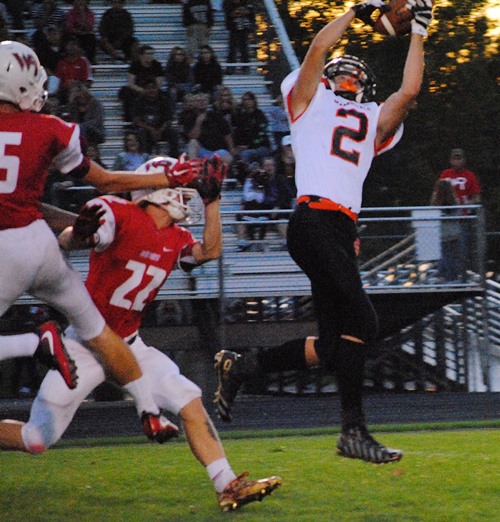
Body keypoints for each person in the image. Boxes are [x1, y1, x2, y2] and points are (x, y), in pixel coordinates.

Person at [214, 0, 434, 464]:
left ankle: (243, 366)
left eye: (358, 76)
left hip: (338, 230)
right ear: (331, 78)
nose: (351, 79)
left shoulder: (372, 119)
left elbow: (410, 90)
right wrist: (357, 12)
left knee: (334, 347)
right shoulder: (306, 102)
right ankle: (353, 432)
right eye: (344, 73)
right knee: (366, 322)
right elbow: (317, 47)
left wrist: (418, 30)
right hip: (313, 220)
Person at [0, 157, 282, 513]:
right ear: (156, 192)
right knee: (37, 438)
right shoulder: (120, 213)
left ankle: (227, 485)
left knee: (189, 401)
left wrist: (213, 202)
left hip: (131, 344)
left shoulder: (175, 236)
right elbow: (70, 240)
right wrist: (81, 232)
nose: (184, 196)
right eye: (178, 189)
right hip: (87, 344)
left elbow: (211, 251)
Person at [0, 40, 211, 444]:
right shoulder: (51, 129)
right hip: (38, 246)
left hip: (8, 246)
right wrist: (168, 177)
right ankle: (148, 410)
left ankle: (34, 342)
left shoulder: (160, 229)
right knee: (95, 331)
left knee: (102, 336)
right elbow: (103, 184)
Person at [131, 79, 180, 156]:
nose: (151, 90)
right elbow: (136, 120)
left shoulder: (164, 100)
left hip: (162, 129)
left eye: (154, 88)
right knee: (141, 133)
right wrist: (151, 130)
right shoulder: (138, 101)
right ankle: (145, 157)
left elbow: (169, 119)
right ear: (144, 89)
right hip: (146, 130)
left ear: (157, 88)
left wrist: (160, 130)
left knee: (173, 132)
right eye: (149, 88)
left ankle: (174, 157)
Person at [184, 92, 234, 163]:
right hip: (201, 150)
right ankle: (194, 168)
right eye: (198, 101)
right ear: (194, 103)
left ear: (208, 103)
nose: (201, 102)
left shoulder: (216, 115)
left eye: (204, 100)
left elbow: (227, 134)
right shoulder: (190, 118)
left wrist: (232, 149)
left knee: (228, 159)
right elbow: (193, 137)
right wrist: (198, 122)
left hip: (217, 150)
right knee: (193, 142)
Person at [118, 44, 164, 122]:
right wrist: (142, 90)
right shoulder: (135, 65)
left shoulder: (157, 65)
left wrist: (150, 90)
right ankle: (129, 119)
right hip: (138, 89)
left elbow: (159, 82)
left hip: (152, 89)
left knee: (165, 96)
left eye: (152, 54)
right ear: (141, 55)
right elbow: (131, 83)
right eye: (148, 54)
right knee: (127, 94)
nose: (151, 56)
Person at [430, 179, 462, 282]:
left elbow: (433, 215)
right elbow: (458, 214)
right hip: (454, 233)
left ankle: (443, 274)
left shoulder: (435, 202)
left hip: (441, 234)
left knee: (444, 255)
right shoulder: (455, 201)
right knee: (453, 256)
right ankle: (452, 276)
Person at [232, 90, 272, 165]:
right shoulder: (241, 116)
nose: (247, 102)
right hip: (245, 147)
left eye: (249, 99)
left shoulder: (260, 115)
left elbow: (261, 135)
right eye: (244, 100)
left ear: (253, 101)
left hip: (262, 146)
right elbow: (238, 132)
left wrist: (248, 146)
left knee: (246, 154)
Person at [54, 36, 93, 104]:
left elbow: (88, 82)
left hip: (80, 90)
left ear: (78, 47)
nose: (72, 47)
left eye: (74, 45)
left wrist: (77, 84)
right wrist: (67, 85)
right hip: (64, 92)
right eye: (70, 45)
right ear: (66, 47)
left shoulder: (83, 62)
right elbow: (57, 83)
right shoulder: (61, 63)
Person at [66, 81, 106, 145]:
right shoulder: (74, 106)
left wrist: (82, 126)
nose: (80, 99)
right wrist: (70, 101)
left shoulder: (95, 104)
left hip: (94, 131)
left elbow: (98, 120)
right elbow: (72, 120)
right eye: (77, 98)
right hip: (79, 132)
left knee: (83, 130)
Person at [223, 0, 255, 74]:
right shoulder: (228, 4)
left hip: (244, 29)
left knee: (244, 49)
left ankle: (245, 67)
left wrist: (244, 11)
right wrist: (236, 13)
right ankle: (230, 68)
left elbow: (250, 12)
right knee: (232, 48)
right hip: (234, 29)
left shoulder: (247, 3)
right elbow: (229, 14)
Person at [63, 0, 98, 64]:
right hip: (74, 34)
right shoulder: (71, 13)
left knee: (91, 38)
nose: (81, 2)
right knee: (67, 37)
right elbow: (70, 27)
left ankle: (90, 61)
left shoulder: (89, 13)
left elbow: (90, 26)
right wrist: (79, 31)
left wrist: (83, 16)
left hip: (85, 35)